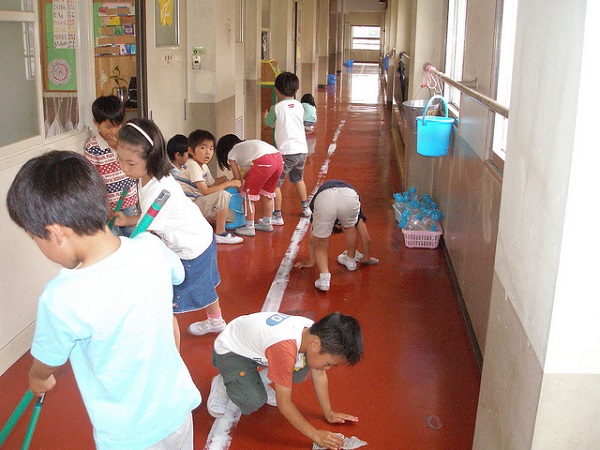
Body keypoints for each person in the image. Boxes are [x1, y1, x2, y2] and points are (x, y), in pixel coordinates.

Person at [6, 150, 201, 449]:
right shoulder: (151, 248)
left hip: (129, 436)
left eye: (36, 239)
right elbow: (174, 282)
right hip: (177, 412)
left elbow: (46, 364)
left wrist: (37, 378)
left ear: (55, 233)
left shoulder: (61, 298)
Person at [114, 118, 228, 340]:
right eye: (120, 159)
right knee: (205, 283)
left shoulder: (158, 187)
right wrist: (127, 221)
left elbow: (148, 236)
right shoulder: (150, 176)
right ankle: (216, 321)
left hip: (190, 248)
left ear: (151, 158)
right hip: (201, 237)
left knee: (167, 308)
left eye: (130, 163)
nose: (123, 167)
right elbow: (152, 216)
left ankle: (174, 361)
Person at [207, 311, 363, 450]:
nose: (327, 368)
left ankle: (256, 379)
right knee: (253, 400)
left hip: (254, 346)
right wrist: (315, 435)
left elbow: (319, 374)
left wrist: (328, 412)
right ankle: (222, 382)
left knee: (302, 365)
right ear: (316, 343)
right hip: (230, 350)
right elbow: (285, 405)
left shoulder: (313, 334)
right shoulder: (285, 348)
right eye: (329, 363)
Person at [294, 180, 379, 291]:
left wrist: (311, 260)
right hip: (350, 196)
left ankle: (324, 279)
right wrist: (366, 258)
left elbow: (312, 240)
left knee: (321, 241)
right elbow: (366, 238)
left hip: (325, 198)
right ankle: (350, 261)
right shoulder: (357, 212)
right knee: (350, 228)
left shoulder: (318, 206)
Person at [84, 95, 139, 237]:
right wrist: (101, 205)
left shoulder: (126, 141)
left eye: (117, 125)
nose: (114, 131)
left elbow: (135, 163)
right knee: (111, 239)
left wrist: (117, 146)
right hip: (106, 206)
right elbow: (92, 180)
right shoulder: (92, 147)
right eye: (108, 127)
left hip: (129, 200)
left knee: (135, 236)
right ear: (96, 123)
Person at [177, 130, 243, 245]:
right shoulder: (192, 165)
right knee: (223, 195)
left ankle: (199, 222)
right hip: (189, 204)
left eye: (211, 148)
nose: (208, 152)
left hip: (197, 201)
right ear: (191, 150)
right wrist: (227, 184)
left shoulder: (203, 166)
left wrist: (222, 180)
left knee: (230, 215)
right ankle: (220, 233)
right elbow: (206, 191)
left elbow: (211, 184)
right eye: (203, 148)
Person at [264, 71, 311, 225]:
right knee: (298, 178)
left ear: (276, 90)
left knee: (275, 183)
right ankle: (305, 208)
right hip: (302, 150)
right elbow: (302, 120)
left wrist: (266, 117)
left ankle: (277, 215)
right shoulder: (299, 106)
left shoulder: (276, 108)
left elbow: (268, 123)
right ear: (296, 91)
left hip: (285, 152)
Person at [215, 134, 284, 237]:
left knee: (248, 195)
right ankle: (267, 223)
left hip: (263, 161)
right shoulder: (246, 148)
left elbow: (238, 178)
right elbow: (249, 174)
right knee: (268, 193)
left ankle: (249, 227)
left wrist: (236, 187)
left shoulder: (232, 153)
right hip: (279, 160)